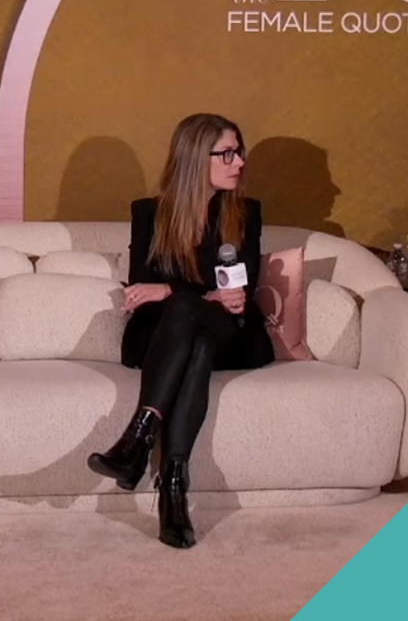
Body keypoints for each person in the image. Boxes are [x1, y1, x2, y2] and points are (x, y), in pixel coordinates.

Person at [87, 113, 274, 548]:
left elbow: (238, 287)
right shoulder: (149, 213)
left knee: (191, 313)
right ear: (195, 158)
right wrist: (197, 294)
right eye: (227, 153)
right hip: (165, 337)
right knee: (195, 342)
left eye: (240, 152)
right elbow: (141, 284)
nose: (239, 162)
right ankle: (173, 487)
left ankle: (137, 441)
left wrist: (173, 289)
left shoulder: (245, 213)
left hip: (231, 331)